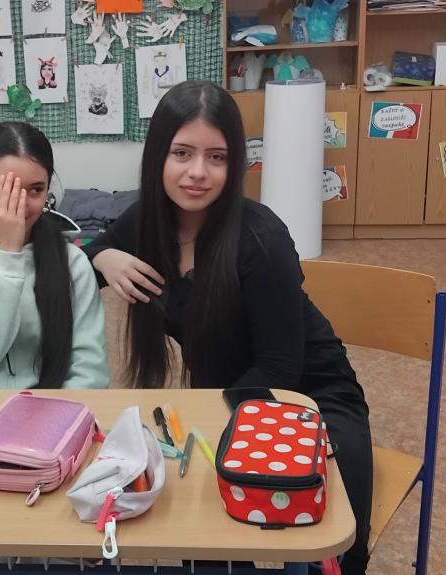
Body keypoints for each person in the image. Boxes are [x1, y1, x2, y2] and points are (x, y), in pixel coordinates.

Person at [83, 81, 373, 574]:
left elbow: (280, 367)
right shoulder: (146, 222)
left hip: (309, 399)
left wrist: (218, 424)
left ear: (235, 164)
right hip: (228, 397)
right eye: (182, 153)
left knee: (321, 539)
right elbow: (86, 259)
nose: (198, 172)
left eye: (216, 157)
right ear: (157, 157)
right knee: (205, 526)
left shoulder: (261, 237)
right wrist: (104, 256)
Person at [0, 122, 108, 390]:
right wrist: (7, 253)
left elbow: (90, 370)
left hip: (52, 403)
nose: (18, 205)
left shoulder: (72, 261)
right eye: (3, 188)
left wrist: (63, 410)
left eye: (35, 189)